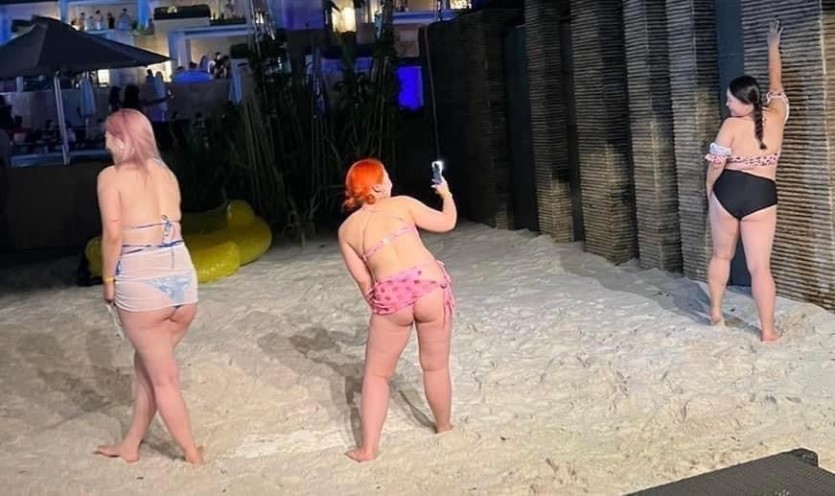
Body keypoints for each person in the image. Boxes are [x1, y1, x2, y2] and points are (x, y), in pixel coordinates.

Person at [94, 109, 203, 464]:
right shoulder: (166, 173)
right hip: (182, 281)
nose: (105, 141)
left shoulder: (111, 177)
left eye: (109, 135)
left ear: (121, 139)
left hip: (142, 284)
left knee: (163, 377)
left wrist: (108, 281)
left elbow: (113, 235)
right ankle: (131, 444)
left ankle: (190, 452)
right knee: (148, 367)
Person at [337, 158, 457, 462]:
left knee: (376, 375)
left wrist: (384, 309)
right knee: (435, 366)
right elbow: (447, 222)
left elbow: (364, 281)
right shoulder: (402, 203)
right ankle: (444, 426)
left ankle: (368, 448)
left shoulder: (347, 230)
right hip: (429, 284)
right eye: (387, 177)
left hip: (392, 295)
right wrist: (446, 194)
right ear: (377, 187)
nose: (391, 181)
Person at [705, 19, 788, 342]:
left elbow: (716, 165)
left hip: (727, 191)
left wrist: (710, 190)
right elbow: (776, 80)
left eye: (730, 99)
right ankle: (768, 331)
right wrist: (772, 46)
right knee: (760, 267)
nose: (727, 104)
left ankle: (716, 311)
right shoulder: (777, 115)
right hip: (762, 195)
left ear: (744, 101)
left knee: (720, 255)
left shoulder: (731, 125)